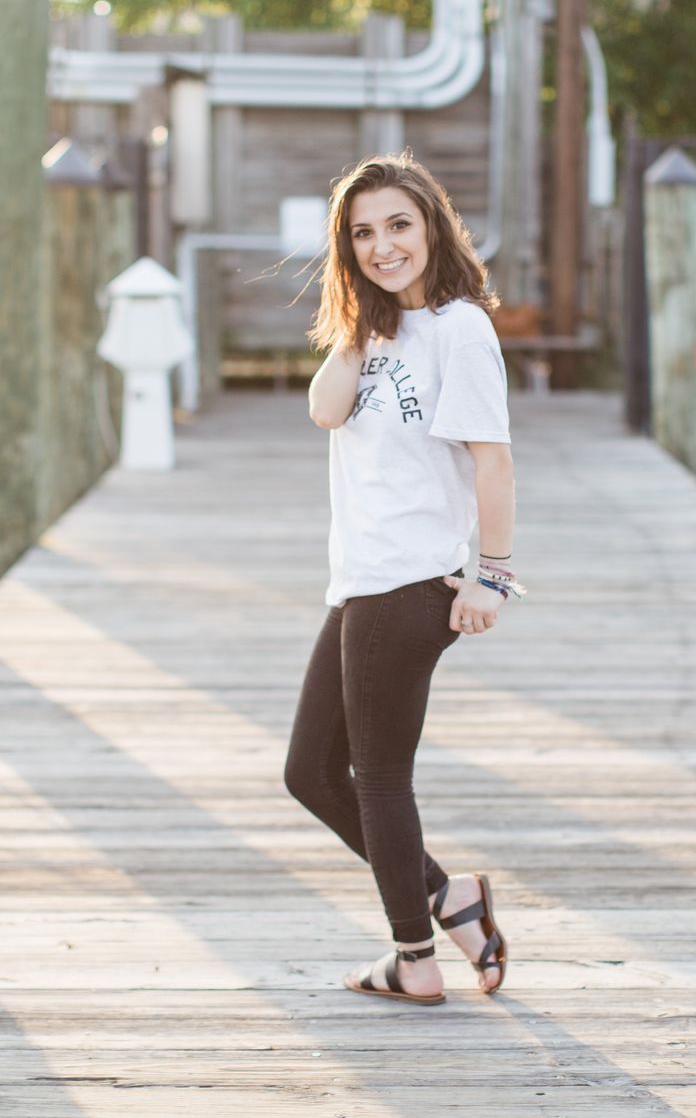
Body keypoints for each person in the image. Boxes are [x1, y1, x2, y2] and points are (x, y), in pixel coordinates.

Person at [284, 151, 523, 1005]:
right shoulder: (378, 332)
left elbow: (492, 464)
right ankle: (448, 898)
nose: (384, 245)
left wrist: (490, 577)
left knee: (379, 778)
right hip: (359, 581)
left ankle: (414, 957)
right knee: (311, 771)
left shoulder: (461, 329)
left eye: (398, 226)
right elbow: (324, 408)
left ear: (431, 227)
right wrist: (359, 319)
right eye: (363, 233)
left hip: (414, 582)